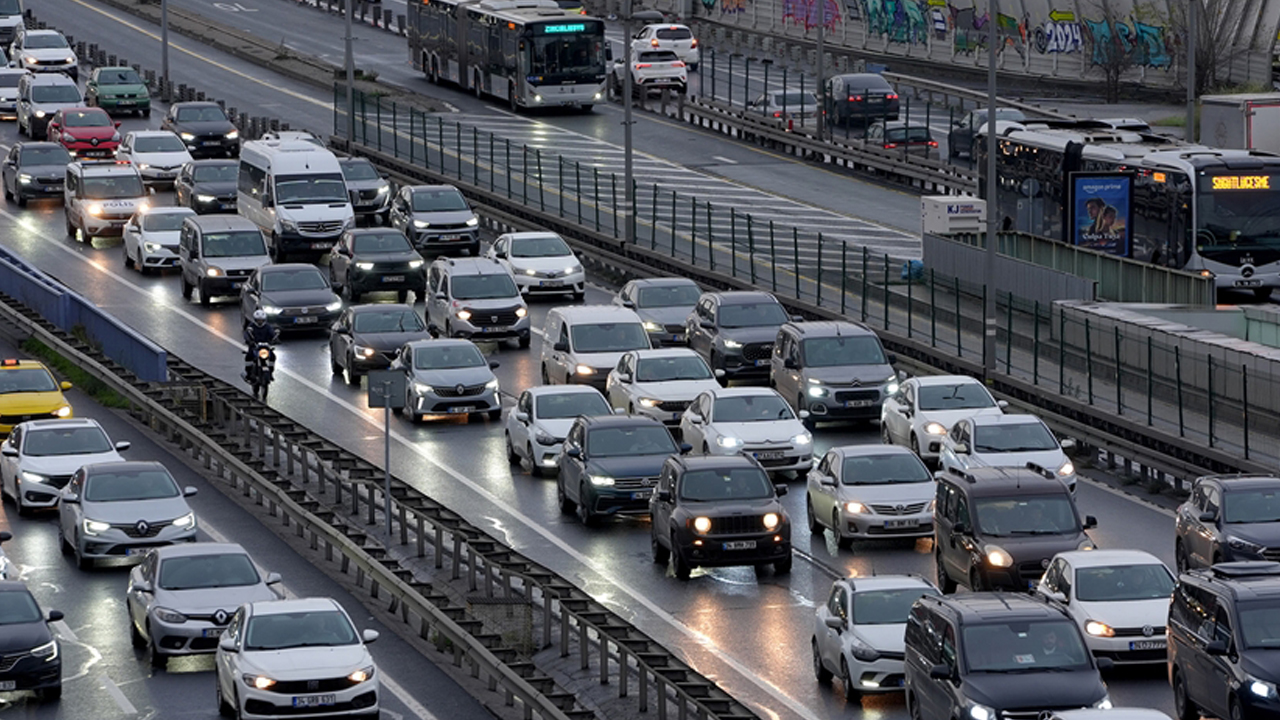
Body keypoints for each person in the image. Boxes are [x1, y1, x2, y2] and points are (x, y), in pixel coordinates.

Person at [243, 309, 278, 381]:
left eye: (261, 320)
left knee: (273, 357)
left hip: (265, 347)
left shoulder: (267, 327)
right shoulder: (251, 326)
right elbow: (246, 334)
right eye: (258, 320)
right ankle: (248, 373)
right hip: (255, 346)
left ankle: (270, 373)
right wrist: (249, 341)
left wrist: (275, 339)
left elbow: (272, 333)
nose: (260, 322)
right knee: (249, 356)